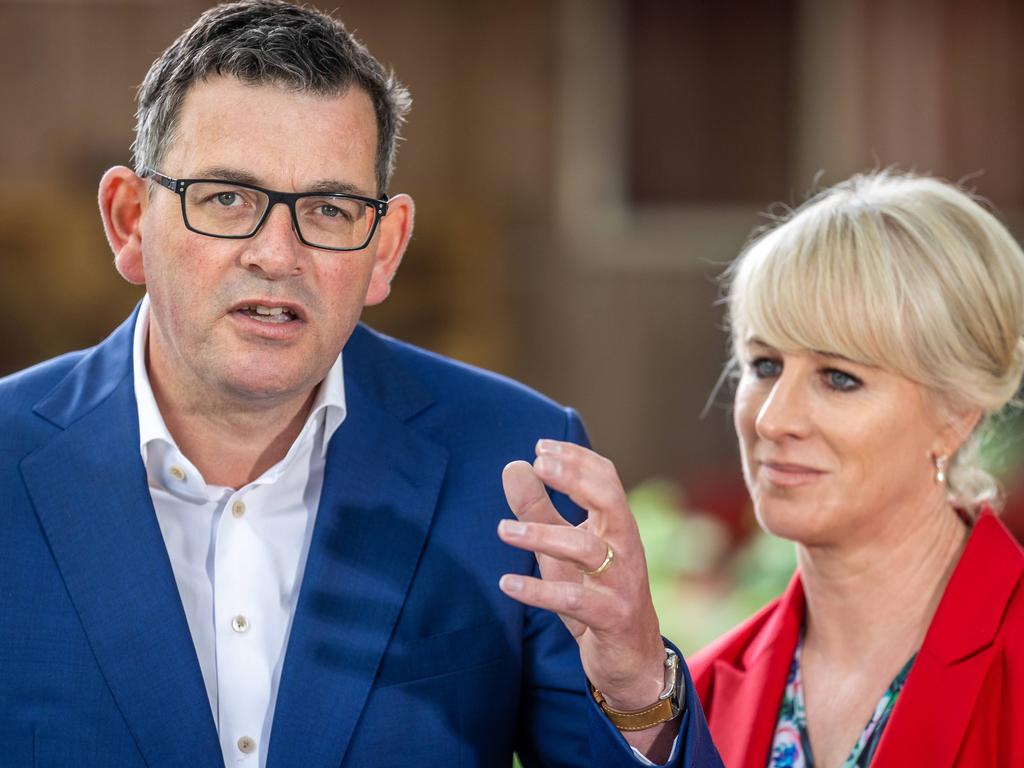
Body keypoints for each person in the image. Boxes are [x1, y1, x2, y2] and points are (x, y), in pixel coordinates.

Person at [0, 2, 722, 767]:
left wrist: (639, 689)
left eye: (330, 208)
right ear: (128, 220)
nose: (277, 254)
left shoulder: (513, 466)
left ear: (385, 248)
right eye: (226, 199)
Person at [530, 171, 1024, 767]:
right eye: (763, 365)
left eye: (839, 377)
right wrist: (636, 697)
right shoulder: (699, 696)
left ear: (958, 414)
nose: (772, 420)